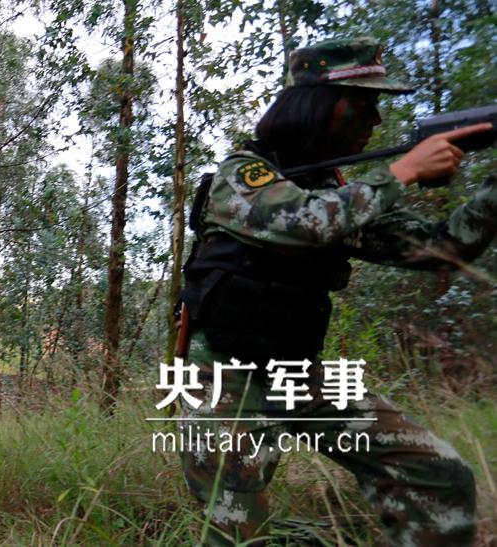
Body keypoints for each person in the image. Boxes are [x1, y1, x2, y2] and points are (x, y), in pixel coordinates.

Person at [176, 36, 495, 545]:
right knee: (238, 536)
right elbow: (306, 222)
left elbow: (444, 247)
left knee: (441, 476)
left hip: (298, 375)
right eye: (365, 105)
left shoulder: (343, 194)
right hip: (222, 380)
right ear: (321, 107)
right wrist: (405, 171)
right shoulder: (244, 174)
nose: (376, 123)